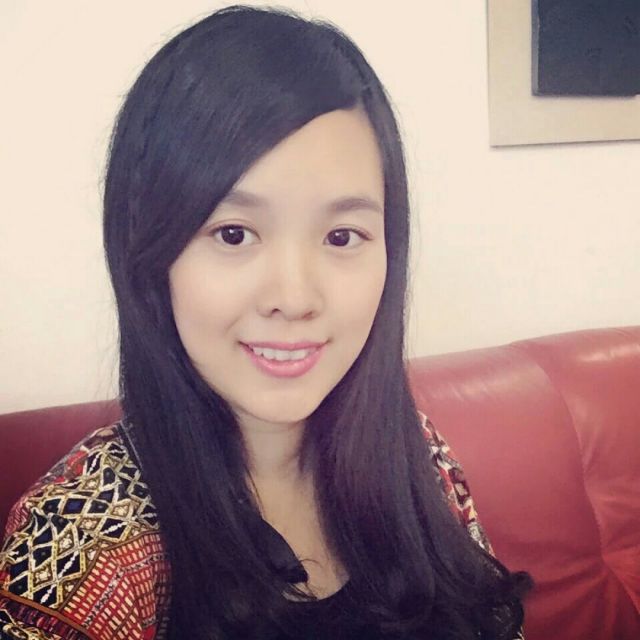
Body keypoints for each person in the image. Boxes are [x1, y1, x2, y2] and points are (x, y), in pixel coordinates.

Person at [0, 4, 532, 639]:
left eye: (342, 235)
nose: (295, 296)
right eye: (234, 233)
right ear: (149, 254)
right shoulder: (78, 538)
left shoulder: (416, 454)